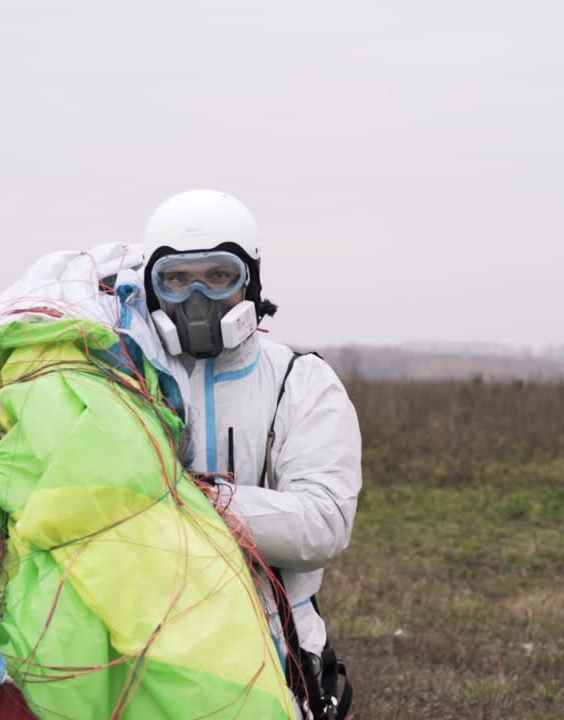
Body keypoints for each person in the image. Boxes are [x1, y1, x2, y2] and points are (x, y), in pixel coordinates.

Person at [143, 189, 361, 719]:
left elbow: (323, 523)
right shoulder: (132, 381)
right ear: (152, 290)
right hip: (150, 647)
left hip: (277, 653)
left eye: (219, 276)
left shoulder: (299, 381)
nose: (197, 297)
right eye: (176, 278)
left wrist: (191, 498)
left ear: (251, 282)